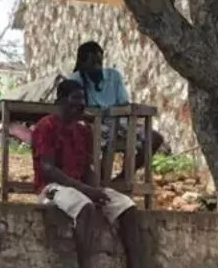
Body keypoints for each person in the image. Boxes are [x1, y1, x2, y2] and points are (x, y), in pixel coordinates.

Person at [33, 79, 154, 268]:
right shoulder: (45, 126)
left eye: (82, 102)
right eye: (74, 101)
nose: (79, 107)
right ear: (60, 101)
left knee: (126, 206)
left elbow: (87, 167)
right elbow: (48, 169)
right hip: (51, 187)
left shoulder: (83, 130)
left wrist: (97, 189)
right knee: (85, 207)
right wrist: (87, 191)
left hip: (79, 185)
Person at [68, 41, 166, 173]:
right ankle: (99, 178)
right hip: (93, 123)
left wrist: (114, 114)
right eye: (92, 63)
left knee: (155, 138)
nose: (97, 67)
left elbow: (123, 103)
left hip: (119, 121)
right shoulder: (76, 79)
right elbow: (78, 108)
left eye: (99, 62)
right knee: (92, 138)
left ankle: (125, 175)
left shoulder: (113, 76)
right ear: (82, 63)